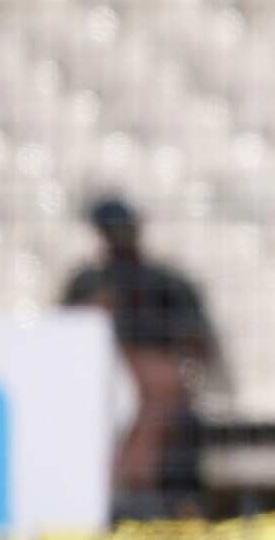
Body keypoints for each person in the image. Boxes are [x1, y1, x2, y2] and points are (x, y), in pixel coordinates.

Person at [64, 197, 223, 521]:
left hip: (158, 391)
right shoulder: (87, 284)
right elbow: (62, 341)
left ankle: (163, 502)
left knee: (162, 393)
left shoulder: (169, 284)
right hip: (97, 387)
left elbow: (199, 343)